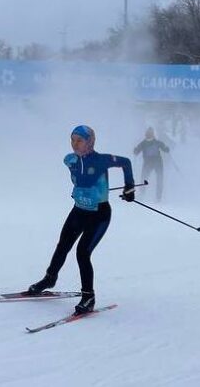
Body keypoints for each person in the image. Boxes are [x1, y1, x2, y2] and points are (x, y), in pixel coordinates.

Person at [26, 125, 135, 315]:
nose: (74, 144)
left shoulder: (101, 160)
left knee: (82, 253)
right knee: (62, 246)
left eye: (79, 140)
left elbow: (126, 162)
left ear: (90, 142)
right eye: (72, 139)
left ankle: (88, 297)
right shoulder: (71, 160)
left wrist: (129, 187)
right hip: (78, 211)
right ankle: (50, 279)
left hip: (99, 215)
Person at [133, 127, 170, 201]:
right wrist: (135, 150)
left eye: (150, 134)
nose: (149, 135)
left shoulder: (149, 143)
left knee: (153, 178)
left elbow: (137, 151)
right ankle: (149, 196)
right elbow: (165, 149)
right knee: (147, 178)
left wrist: (135, 151)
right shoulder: (150, 142)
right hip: (152, 162)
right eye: (148, 134)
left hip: (154, 162)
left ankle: (156, 197)